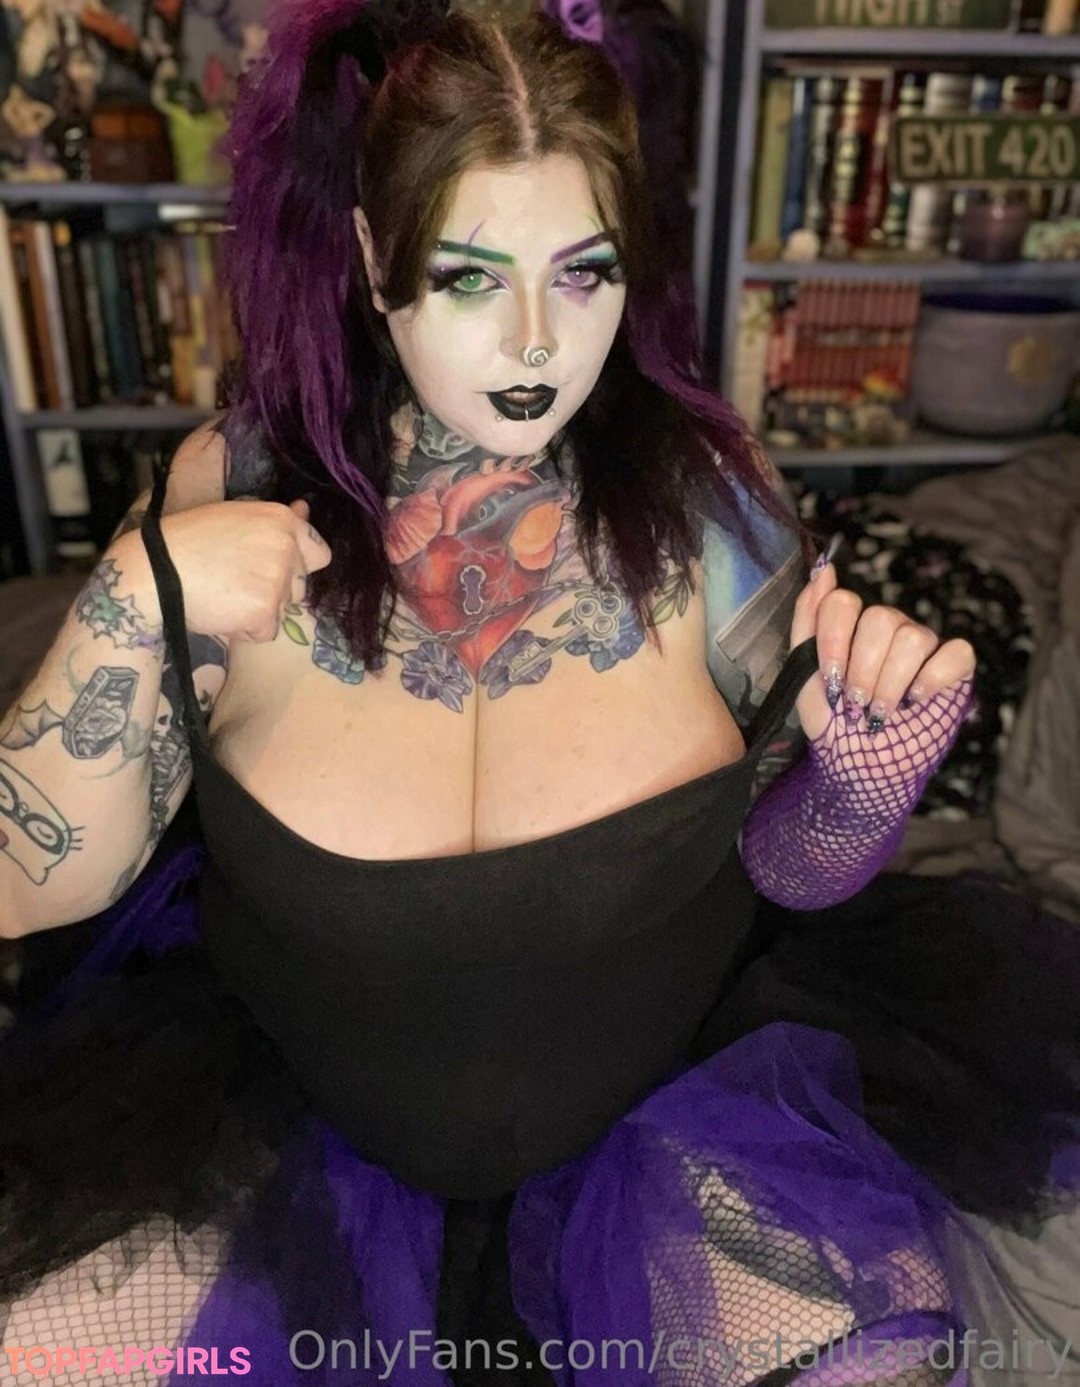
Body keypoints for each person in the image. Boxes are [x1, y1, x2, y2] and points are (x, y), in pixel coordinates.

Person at [2, 0, 1080, 1383]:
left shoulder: (715, 504)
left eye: (583, 275)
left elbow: (789, 870)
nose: (533, 344)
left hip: (668, 1122)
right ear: (373, 257)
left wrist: (864, 788)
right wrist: (128, 597)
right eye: (470, 278)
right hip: (287, 1122)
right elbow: (24, 885)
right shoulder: (235, 483)